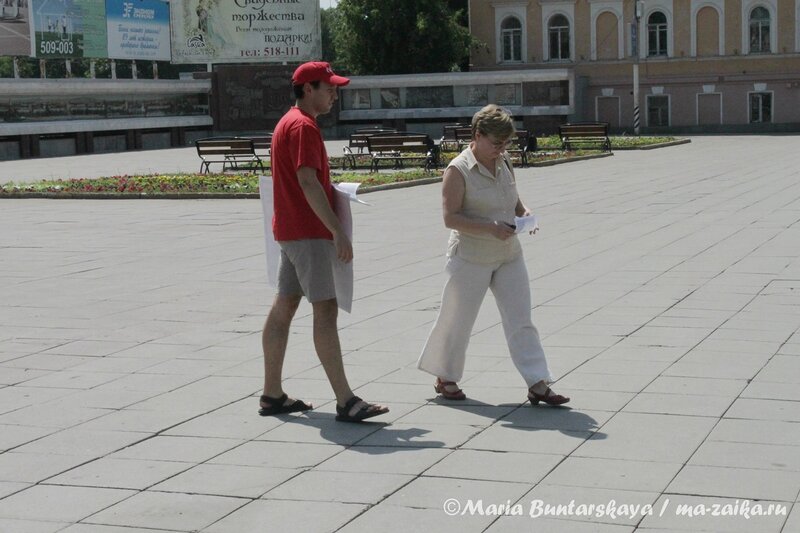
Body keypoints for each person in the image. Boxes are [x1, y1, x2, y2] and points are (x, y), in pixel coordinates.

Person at [259, 61, 389, 423]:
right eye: (328, 87)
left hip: (291, 230)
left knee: (284, 306)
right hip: (309, 232)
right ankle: (346, 400)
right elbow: (307, 181)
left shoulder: (288, 121)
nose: (334, 93)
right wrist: (336, 229)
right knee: (325, 310)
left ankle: (272, 395)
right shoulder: (303, 127)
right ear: (306, 89)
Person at [417, 104, 570, 407]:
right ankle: (445, 377)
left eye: (506, 144)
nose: (501, 150)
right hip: (471, 257)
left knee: (521, 319)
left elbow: (512, 198)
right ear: (477, 135)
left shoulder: (504, 161)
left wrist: (524, 213)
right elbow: (450, 218)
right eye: (496, 143)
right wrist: (489, 227)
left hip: (508, 254)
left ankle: (538, 383)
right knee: (457, 320)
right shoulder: (457, 170)